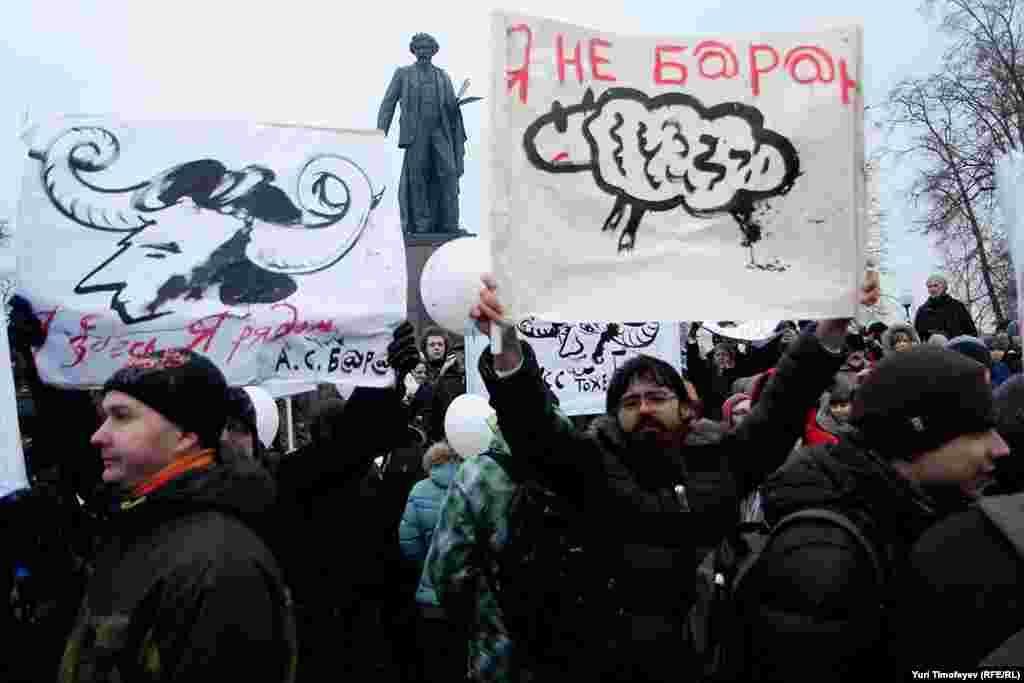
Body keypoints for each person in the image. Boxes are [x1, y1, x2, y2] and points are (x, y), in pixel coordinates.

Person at [469, 271, 880, 682]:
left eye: (657, 397)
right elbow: (532, 426)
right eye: (631, 402)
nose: (645, 408)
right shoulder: (588, 467)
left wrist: (831, 326)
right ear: (614, 416)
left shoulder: (724, 459)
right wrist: (504, 341)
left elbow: (784, 404)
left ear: (686, 408)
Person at [741, 345, 1009, 682]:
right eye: (977, 431)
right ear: (915, 438)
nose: (1000, 447)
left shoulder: (923, 506)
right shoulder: (821, 557)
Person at [59, 348, 298, 682]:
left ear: (185, 435)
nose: (98, 436)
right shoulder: (136, 525)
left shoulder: (221, 565)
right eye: (104, 418)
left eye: (122, 416)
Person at [377, 32, 469, 234]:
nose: (423, 51)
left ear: (434, 51)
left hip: (440, 131)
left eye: (427, 48)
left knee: (449, 173)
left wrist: (454, 107)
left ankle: (449, 222)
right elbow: (388, 103)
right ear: (414, 51)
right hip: (415, 132)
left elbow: (450, 108)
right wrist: (380, 132)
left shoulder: (443, 76)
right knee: (417, 176)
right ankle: (421, 224)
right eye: (419, 47)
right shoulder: (403, 74)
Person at [399, 441, 465, 683]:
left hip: (431, 592)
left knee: (435, 659)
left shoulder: (419, 489)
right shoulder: (469, 485)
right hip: (465, 589)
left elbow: (408, 540)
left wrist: (426, 564)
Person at [914, 273, 979, 342]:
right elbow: (917, 337)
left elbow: (971, 332)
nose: (932, 289)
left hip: (956, 346)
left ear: (944, 287)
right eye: (929, 287)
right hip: (932, 347)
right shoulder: (922, 311)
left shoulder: (957, 306)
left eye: (935, 285)